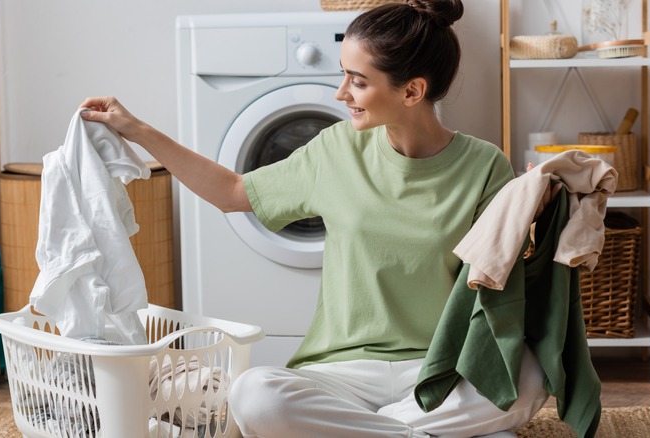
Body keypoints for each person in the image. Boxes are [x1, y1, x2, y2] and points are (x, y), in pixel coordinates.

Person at [80, 2, 554, 436]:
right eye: (343, 75)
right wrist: (137, 130)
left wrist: (535, 212)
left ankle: (370, 430)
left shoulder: (483, 164)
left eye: (358, 81)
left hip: (441, 367)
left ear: (412, 91)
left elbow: (500, 272)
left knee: (531, 375)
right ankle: (423, 430)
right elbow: (232, 192)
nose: (340, 92)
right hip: (340, 372)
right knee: (256, 394)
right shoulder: (336, 149)